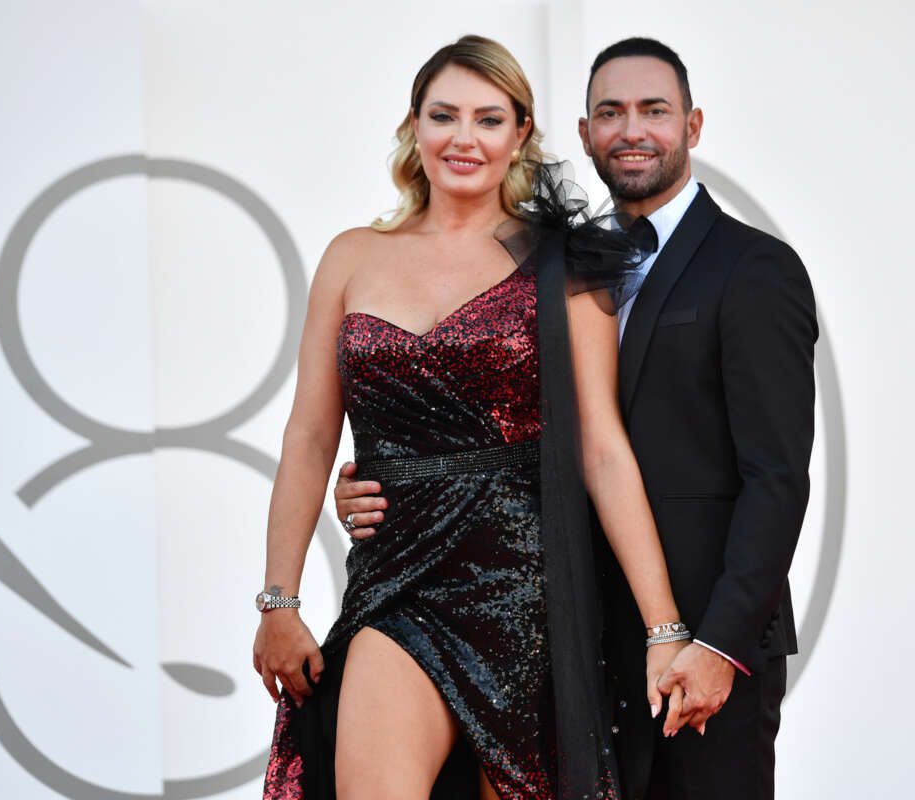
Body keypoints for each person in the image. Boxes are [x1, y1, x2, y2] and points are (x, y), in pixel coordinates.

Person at [336, 37, 818, 799]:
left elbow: (778, 479)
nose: (632, 130)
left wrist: (719, 643)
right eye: (611, 113)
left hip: (699, 644)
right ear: (585, 134)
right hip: (570, 634)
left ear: (692, 125)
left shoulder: (753, 268)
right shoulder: (552, 264)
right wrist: (392, 476)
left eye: (654, 110)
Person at [255, 35, 705, 800]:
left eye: (489, 119)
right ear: (414, 126)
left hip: (523, 589)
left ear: (521, 133)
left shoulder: (564, 264)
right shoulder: (351, 257)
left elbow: (601, 448)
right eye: (444, 116)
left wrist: (664, 629)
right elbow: (309, 436)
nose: (464, 138)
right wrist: (279, 600)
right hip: (395, 580)